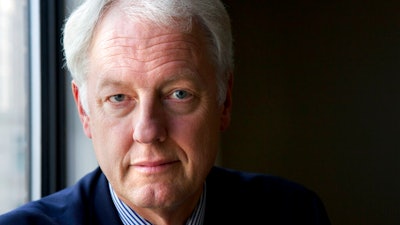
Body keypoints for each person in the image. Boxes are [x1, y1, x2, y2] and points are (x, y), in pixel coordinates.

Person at [0, 0, 331, 224]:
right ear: (84, 111)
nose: (147, 130)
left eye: (178, 94)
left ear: (224, 101)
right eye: (118, 98)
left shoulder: (294, 214)